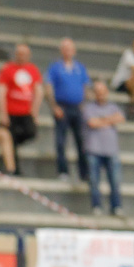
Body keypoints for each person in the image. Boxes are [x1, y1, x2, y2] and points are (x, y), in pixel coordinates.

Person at [47, 37, 89, 183]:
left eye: (70, 49)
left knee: (81, 141)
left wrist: (83, 104)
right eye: (65, 49)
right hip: (62, 107)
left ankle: (84, 173)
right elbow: (48, 86)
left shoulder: (80, 68)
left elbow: (85, 86)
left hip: (77, 107)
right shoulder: (55, 68)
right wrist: (54, 106)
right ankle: (63, 171)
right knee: (61, 141)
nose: (67, 51)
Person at [0, 43, 42, 169]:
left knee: (30, 132)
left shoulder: (33, 70)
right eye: (19, 54)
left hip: (26, 111)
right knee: (11, 139)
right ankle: (14, 168)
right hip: (11, 111)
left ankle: (15, 143)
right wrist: (3, 113)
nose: (21, 57)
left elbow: (38, 91)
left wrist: (35, 111)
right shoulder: (8, 69)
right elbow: (1, 92)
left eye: (24, 54)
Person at [81, 79, 123, 216]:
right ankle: (96, 206)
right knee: (94, 181)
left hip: (111, 150)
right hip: (94, 150)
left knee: (115, 181)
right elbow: (92, 123)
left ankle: (116, 206)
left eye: (103, 92)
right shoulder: (88, 108)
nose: (101, 95)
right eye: (98, 92)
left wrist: (101, 120)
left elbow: (120, 118)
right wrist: (109, 120)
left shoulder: (113, 107)